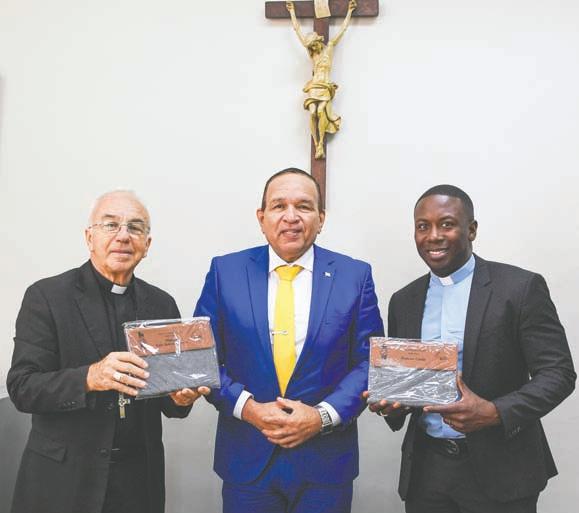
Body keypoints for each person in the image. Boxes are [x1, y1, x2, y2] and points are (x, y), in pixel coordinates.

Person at [369, 184, 576, 513]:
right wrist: (392, 406)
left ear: (472, 229)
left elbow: (559, 374)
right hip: (427, 474)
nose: (433, 236)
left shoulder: (519, 288)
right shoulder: (404, 300)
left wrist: (495, 412)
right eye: (423, 226)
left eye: (447, 224)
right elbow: (409, 387)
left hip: (502, 471)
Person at [194, 168, 383, 513]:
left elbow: (369, 361)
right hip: (248, 461)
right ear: (261, 217)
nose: (291, 216)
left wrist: (321, 417)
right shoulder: (225, 272)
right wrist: (249, 408)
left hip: (325, 464)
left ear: (321, 218)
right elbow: (201, 357)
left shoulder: (355, 276)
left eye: (304, 206)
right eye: (279, 206)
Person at [7, 190, 208, 513]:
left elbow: (169, 402)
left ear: (147, 244)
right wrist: (90, 377)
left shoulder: (161, 303)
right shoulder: (47, 296)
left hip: (136, 482)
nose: (123, 236)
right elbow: (22, 387)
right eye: (111, 225)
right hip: (64, 480)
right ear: (90, 237)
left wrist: (180, 398)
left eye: (135, 227)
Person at [286, 0, 357, 159]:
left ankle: (320, 145)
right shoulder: (313, 55)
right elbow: (298, 32)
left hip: (324, 87)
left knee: (320, 111)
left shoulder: (329, 48)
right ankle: (316, 142)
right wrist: (292, 13)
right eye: (310, 46)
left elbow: (342, 30)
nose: (312, 48)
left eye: (313, 45)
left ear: (318, 42)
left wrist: (349, 12)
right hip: (314, 87)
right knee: (312, 113)